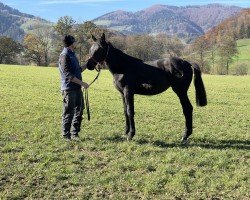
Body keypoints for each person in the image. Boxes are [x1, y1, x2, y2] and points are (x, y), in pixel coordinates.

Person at [58, 35, 89, 139]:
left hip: (76, 88)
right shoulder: (65, 55)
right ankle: (66, 135)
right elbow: (68, 75)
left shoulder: (72, 54)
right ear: (72, 43)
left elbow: (78, 70)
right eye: (74, 42)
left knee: (79, 110)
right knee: (69, 112)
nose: (75, 43)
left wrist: (88, 63)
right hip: (69, 88)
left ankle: (75, 133)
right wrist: (83, 83)